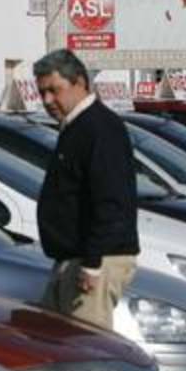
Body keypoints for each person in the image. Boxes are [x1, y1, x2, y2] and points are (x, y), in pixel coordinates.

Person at [34, 50, 140, 330]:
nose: (47, 101)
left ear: (80, 82)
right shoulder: (76, 127)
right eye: (42, 92)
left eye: (54, 90)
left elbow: (110, 200)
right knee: (55, 342)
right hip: (73, 259)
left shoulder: (99, 128)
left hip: (96, 260)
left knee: (85, 353)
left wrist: (92, 265)